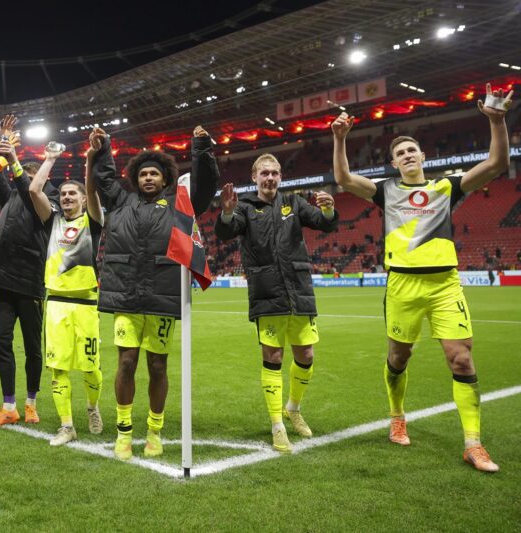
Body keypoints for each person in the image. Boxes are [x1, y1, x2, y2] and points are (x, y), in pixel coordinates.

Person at [331, 83, 512, 472]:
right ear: (394, 163)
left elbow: (496, 165)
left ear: (422, 155)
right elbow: (344, 179)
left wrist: (498, 122)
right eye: (400, 153)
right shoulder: (386, 191)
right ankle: (397, 416)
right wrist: (340, 139)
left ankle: (473, 443)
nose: (407, 155)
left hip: (445, 284)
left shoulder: (447, 186)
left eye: (411, 150)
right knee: (399, 357)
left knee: (461, 359)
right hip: (402, 286)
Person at [91, 125, 218, 460]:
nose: (148, 178)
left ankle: (154, 432)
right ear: (136, 178)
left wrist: (201, 147)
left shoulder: (179, 202)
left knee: (158, 366)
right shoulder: (120, 201)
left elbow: (205, 185)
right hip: (126, 297)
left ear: (165, 179)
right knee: (127, 363)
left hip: (162, 295)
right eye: (143, 173)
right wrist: (103, 148)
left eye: (154, 174)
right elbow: (104, 179)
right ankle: (124, 432)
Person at [215, 155, 338, 452]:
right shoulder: (245, 207)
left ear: (280, 176)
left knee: (306, 354)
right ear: (255, 177)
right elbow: (226, 232)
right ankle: (277, 425)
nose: (269, 178)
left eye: (274, 173)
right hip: (266, 291)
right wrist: (228, 213)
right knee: (273, 355)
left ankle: (293, 408)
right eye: (264, 173)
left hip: (298, 289)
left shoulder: (293, 204)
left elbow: (323, 224)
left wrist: (329, 209)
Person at [0, 115, 59, 428]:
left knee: (32, 347)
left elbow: (28, 190)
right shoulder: (10, 195)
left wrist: (14, 161)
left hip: (30, 280)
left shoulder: (48, 201)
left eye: (31, 172)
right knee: (2, 341)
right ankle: (9, 405)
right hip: (3, 276)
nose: (26, 176)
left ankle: (31, 403)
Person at [28, 141, 104, 446]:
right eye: (63, 194)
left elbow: (94, 189)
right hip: (57, 304)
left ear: (84, 200)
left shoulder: (93, 222)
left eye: (73, 193)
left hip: (86, 305)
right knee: (57, 368)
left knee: (91, 368)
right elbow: (34, 191)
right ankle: (66, 425)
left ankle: (92, 407)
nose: (67, 197)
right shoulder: (53, 222)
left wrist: (88, 160)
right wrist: (50, 159)